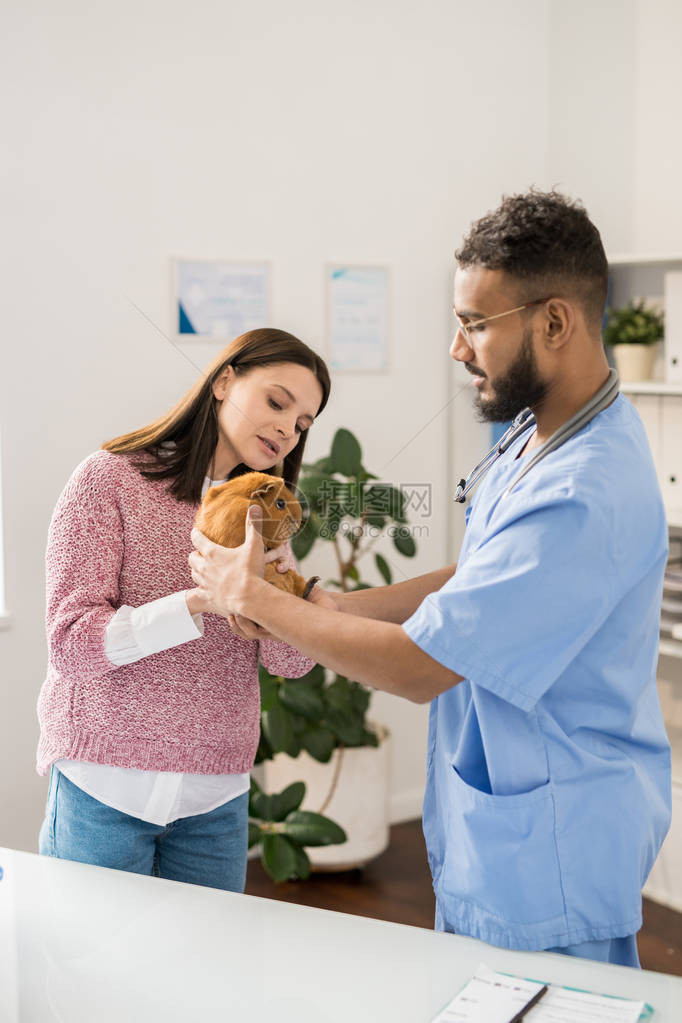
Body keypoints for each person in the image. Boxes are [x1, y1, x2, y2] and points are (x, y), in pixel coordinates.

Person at [189, 192, 671, 965]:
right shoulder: (536, 432)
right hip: (502, 837)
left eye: (475, 323)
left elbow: (420, 668)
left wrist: (251, 598)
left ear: (553, 323)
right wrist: (325, 599)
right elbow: (482, 575)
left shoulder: (585, 492)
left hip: (553, 862)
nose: (456, 348)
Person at [37, 327, 330, 892]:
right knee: (91, 977)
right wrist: (199, 603)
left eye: (301, 425)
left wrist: (283, 603)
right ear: (224, 381)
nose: (286, 430)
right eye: (276, 402)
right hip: (103, 787)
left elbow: (290, 664)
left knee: (203, 978)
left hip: (214, 802)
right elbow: (71, 643)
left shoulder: (264, 513)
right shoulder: (108, 479)